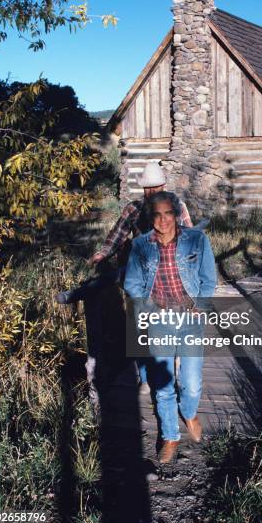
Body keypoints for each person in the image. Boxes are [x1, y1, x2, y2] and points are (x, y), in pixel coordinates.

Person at [56, 162, 193, 393]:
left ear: (163, 185)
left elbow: (189, 237)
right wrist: (102, 253)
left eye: (155, 187)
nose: (152, 192)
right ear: (143, 189)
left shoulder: (178, 207)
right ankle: (146, 378)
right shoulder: (133, 209)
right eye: (148, 188)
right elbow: (117, 235)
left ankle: (173, 373)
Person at [124, 191, 217, 464]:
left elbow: (208, 279)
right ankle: (170, 435)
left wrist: (200, 307)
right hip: (160, 321)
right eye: (157, 214)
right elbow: (132, 284)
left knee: (191, 383)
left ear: (176, 214)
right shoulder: (141, 245)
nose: (163, 220)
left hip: (190, 319)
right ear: (150, 217)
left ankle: (188, 413)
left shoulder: (196, 240)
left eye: (168, 213)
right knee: (162, 385)